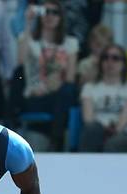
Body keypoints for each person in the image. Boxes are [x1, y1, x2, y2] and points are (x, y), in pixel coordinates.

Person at [16, 0, 78, 151]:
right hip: (36, 95)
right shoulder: (30, 39)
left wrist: (56, 84)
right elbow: (20, 62)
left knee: (67, 91)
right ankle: (56, 140)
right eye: (46, 11)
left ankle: (55, 140)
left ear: (61, 17)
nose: (50, 16)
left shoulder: (70, 42)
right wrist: (28, 23)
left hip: (59, 94)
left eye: (55, 12)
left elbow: (70, 77)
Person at [78, 43, 127, 152]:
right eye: (106, 57)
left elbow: (124, 121)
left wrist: (115, 130)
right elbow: (88, 119)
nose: (110, 62)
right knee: (92, 130)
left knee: (114, 143)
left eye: (115, 58)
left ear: (124, 64)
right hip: (98, 131)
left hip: (124, 133)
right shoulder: (89, 87)